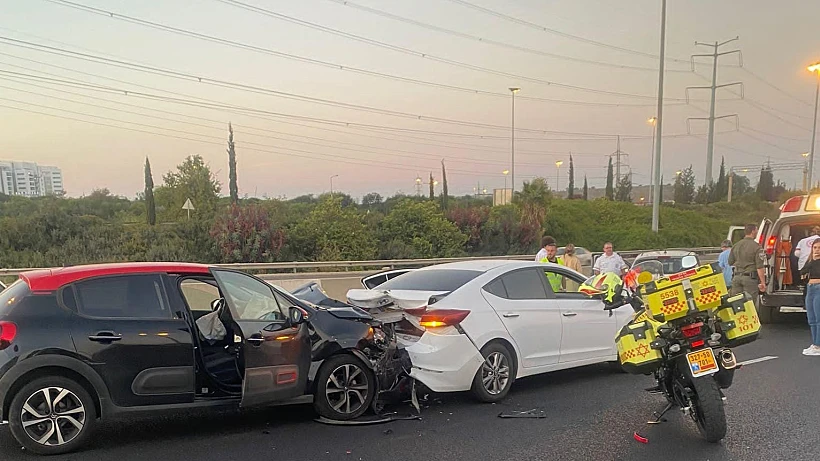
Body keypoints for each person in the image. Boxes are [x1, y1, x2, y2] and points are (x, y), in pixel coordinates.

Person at [728, 223, 766, 312]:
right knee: (749, 305)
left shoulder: (736, 245)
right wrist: (763, 283)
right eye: (756, 230)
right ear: (753, 231)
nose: (757, 232)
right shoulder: (756, 247)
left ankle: (739, 323)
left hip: (736, 278)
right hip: (750, 279)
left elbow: (730, 262)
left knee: (737, 305)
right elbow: (759, 267)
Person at [799, 239, 820, 356]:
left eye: (819, 248)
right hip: (810, 287)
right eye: (815, 248)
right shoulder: (810, 261)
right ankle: (815, 343)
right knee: (811, 318)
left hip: (819, 288)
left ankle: (818, 344)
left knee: (818, 318)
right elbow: (802, 272)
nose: (817, 250)